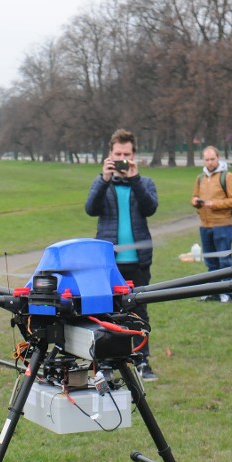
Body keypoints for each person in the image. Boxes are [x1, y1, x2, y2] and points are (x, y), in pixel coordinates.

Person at [85, 128, 159, 381]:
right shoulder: (103, 183)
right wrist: (103, 178)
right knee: (106, 312)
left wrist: (136, 179)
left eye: (126, 154)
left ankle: (142, 360)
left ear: (134, 155)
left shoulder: (145, 182)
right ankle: (106, 363)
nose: (122, 159)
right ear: (110, 154)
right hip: (108, 262)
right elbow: (90, 208)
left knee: (139, 312)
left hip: (138, 261)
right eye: (117, 154)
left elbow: (150, 208)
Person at [191, 145, 232, 303]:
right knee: (210, 262)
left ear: (218, 158)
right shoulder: (200, 177)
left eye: (212, 159)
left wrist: (215, 204)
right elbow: (194, 196)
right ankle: (212, 291)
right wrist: (195, 202)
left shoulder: (227, 177)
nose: (210, 162)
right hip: (205, 225)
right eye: (207, 159)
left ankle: (227, 293)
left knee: (224, 261)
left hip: (222, 224)